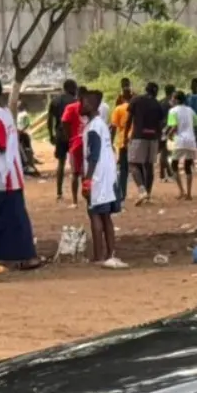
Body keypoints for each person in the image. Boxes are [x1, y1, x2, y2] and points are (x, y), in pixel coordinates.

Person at [0, 75, 41, 269]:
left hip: (1, 175)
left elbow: (0, 144)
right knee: (5, 216)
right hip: (9, 173)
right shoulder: (5, 113)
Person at [80, 89, 124, 267]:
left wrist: (87, 180)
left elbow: (93, 155)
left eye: (83, 103)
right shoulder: (101, 124)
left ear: (91, 105)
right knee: (106, 216)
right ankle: (110, 253)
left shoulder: (92, 128)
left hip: (98, 176)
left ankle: (99, 256)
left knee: (95, 214)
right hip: (108, 175)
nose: (80, 106)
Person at [126, 81, 166, 203]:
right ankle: (148, 194)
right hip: (153, 138)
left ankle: (142, 190)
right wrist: (159, 140)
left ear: (146, 89)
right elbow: (160, 124)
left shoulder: (136, 100)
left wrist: (125, 135)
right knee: (149, 166)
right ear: (156, 92)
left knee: (133, 164)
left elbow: (129, 119)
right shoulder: (158, 104)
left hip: (139, 136)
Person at [167, 89, 197, 198]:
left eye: (172, 98)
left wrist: (169, 135)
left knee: (174, 164)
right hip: (191, 141)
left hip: (180, 140)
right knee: (188, 166)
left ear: (176, 100)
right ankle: (189, 194)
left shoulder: (172, 111)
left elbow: (174, 126)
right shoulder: (190, 110)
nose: (171, 100)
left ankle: (181, 191)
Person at [48, 78, 77, 199]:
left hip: (60, 134)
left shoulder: (55, 100)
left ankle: (59, 192)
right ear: (72, 88)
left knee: (61, 162)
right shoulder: (76, 101)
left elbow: (50, 120)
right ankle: (75, 193)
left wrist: (51, 135)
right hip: (72, 134)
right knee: (74, 163)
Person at [60, 83, 86, 199]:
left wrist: (69, 136)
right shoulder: (91, 108)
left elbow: (64, 122)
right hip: (88, 142)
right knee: (87, 172)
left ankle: (75, 201)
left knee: (75, 173)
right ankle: (88, 198)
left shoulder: (71, 107)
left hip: (76, 142)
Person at [110, 80, 133, 204]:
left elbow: (113, 127)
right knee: (139, 168)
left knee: (123, 169)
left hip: (123, 141)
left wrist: (110, 142)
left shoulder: (118, 109)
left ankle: (122, 194)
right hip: (135, 140)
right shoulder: (136, 107)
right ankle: (145, 191)